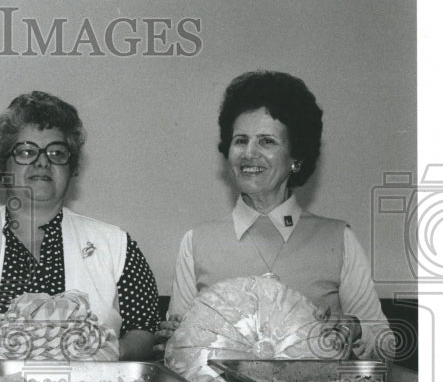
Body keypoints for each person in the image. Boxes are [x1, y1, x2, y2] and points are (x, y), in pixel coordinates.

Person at [160, 70, 393, 359]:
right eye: (241, 140)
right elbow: (179, 352)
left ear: (296, 157)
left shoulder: (339, 239)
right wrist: (173, 338)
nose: (249, 153)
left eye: (267, 141)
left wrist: (355, 329)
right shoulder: (196, 242)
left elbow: (385, 346)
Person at [0, 90, 160, 360]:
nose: (42, 161)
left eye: (57, 152)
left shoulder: (117, 245)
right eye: (26, 151)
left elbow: (144, 329)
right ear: (3, 165)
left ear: (72, 167)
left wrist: (103, 351)